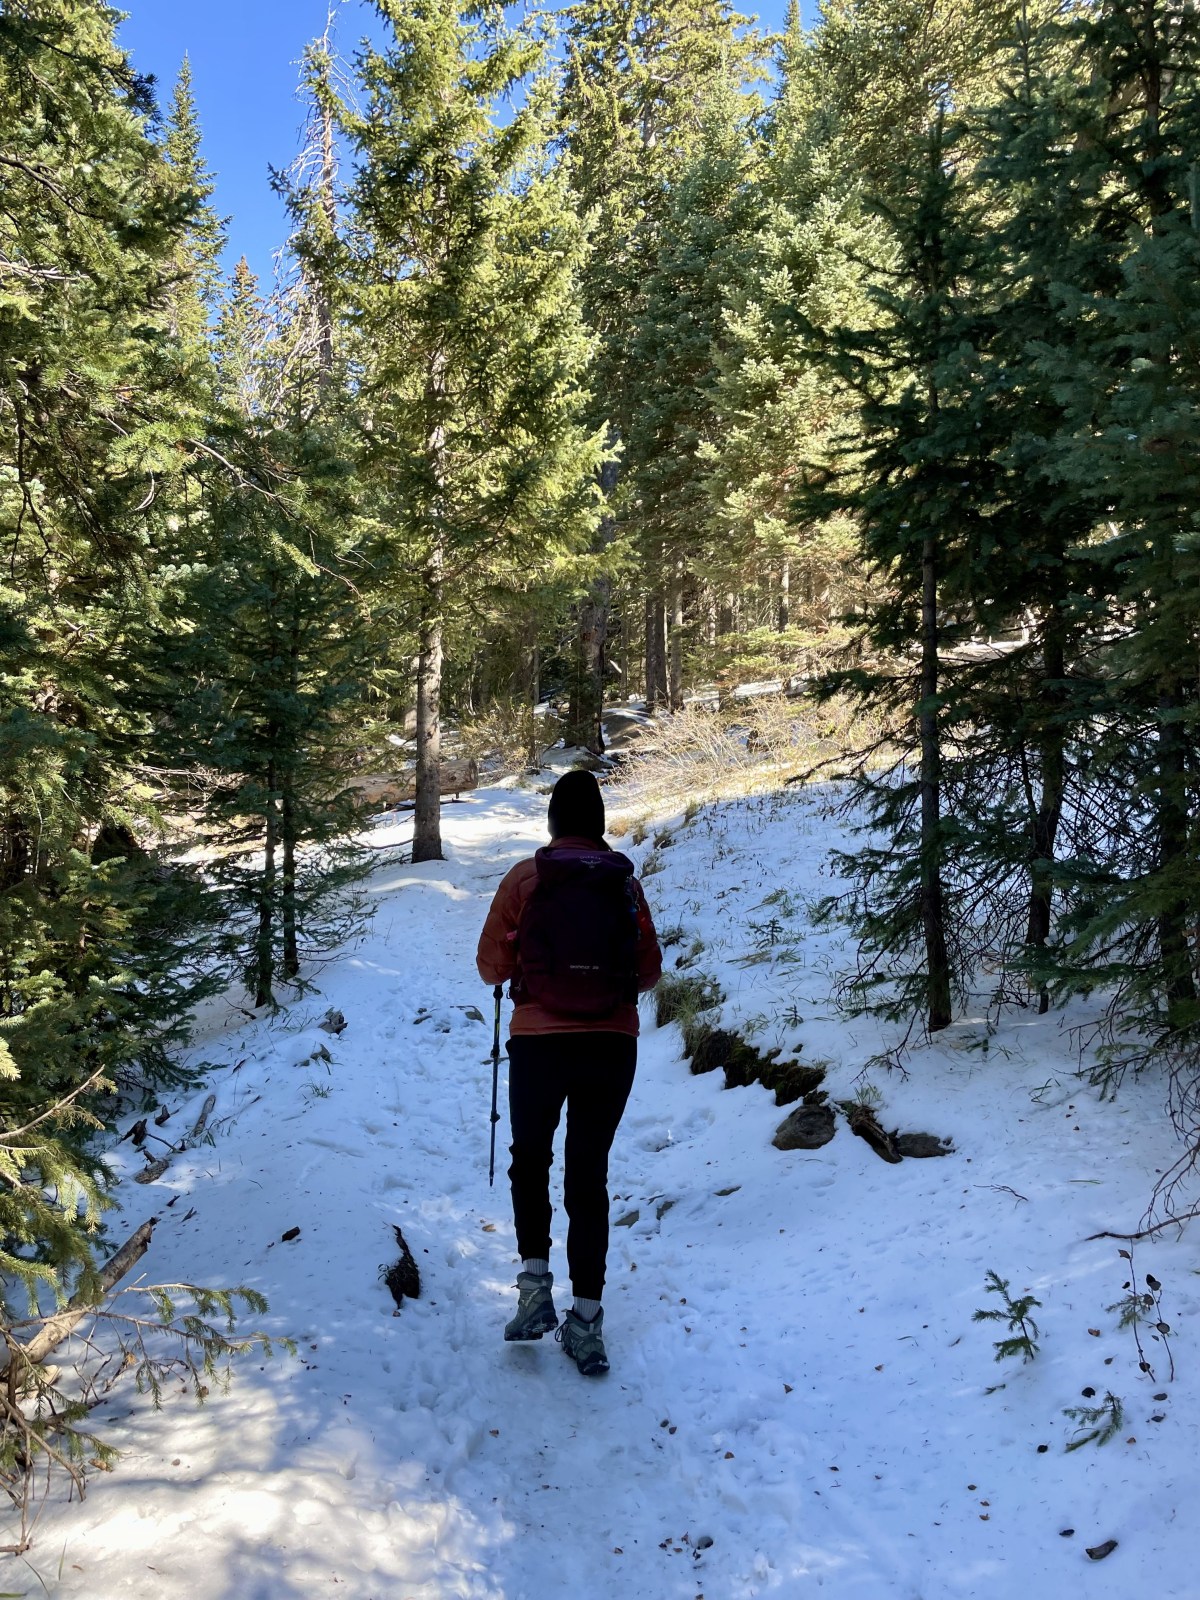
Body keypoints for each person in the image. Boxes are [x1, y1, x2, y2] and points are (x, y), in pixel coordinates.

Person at [475, 769, 662, 1377]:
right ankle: (586, 1323)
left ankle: (534, 1296)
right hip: (611, 1044)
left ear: (552, 822)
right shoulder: (623, 884)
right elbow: (649, 971)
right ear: (601, 823)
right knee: (589, 1174)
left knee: (531, 1161)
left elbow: (489, 967)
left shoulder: (527, 879)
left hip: (539, 1043)